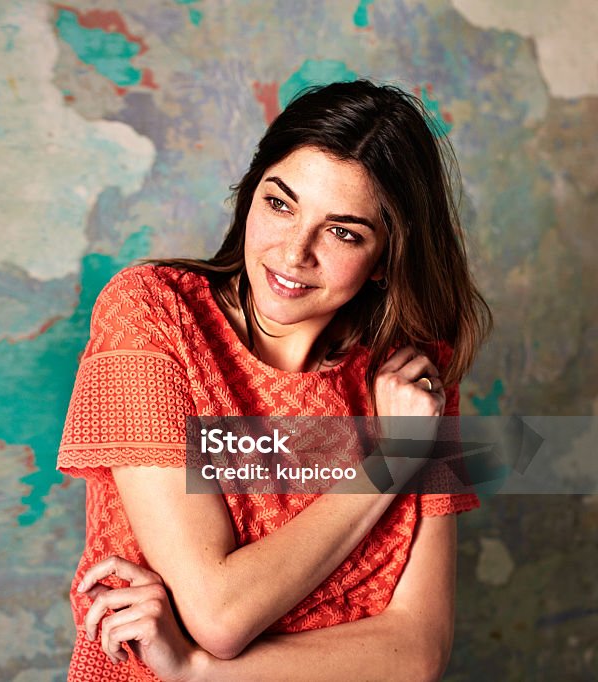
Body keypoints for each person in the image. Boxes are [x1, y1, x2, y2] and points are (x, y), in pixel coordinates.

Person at [56, 80, 492, 681]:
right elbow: (220, 611)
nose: (293, 253)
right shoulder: (152, 315)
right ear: (249, 193)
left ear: (387, 260)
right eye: (280, 204)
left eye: (343, 232)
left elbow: (416, 654)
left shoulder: (413, 382)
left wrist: (196, 671)